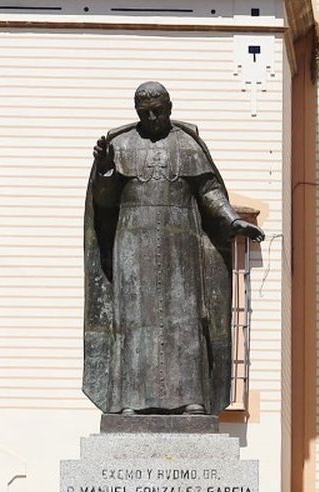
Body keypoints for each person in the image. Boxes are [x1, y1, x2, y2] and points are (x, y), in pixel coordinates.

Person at [82, 81, 266, 416]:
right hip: (132, 244)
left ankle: (190, 399)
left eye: (158, 111)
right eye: (144, 113)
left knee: (185, 320)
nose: (152, 118)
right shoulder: (120, 145)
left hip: (181, 244)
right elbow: (105, 203)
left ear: (170, 107)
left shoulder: (187, 145)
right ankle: (130, 402)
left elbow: (209, 192)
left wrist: (231, 220)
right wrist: (107, 170)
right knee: (134, 322)